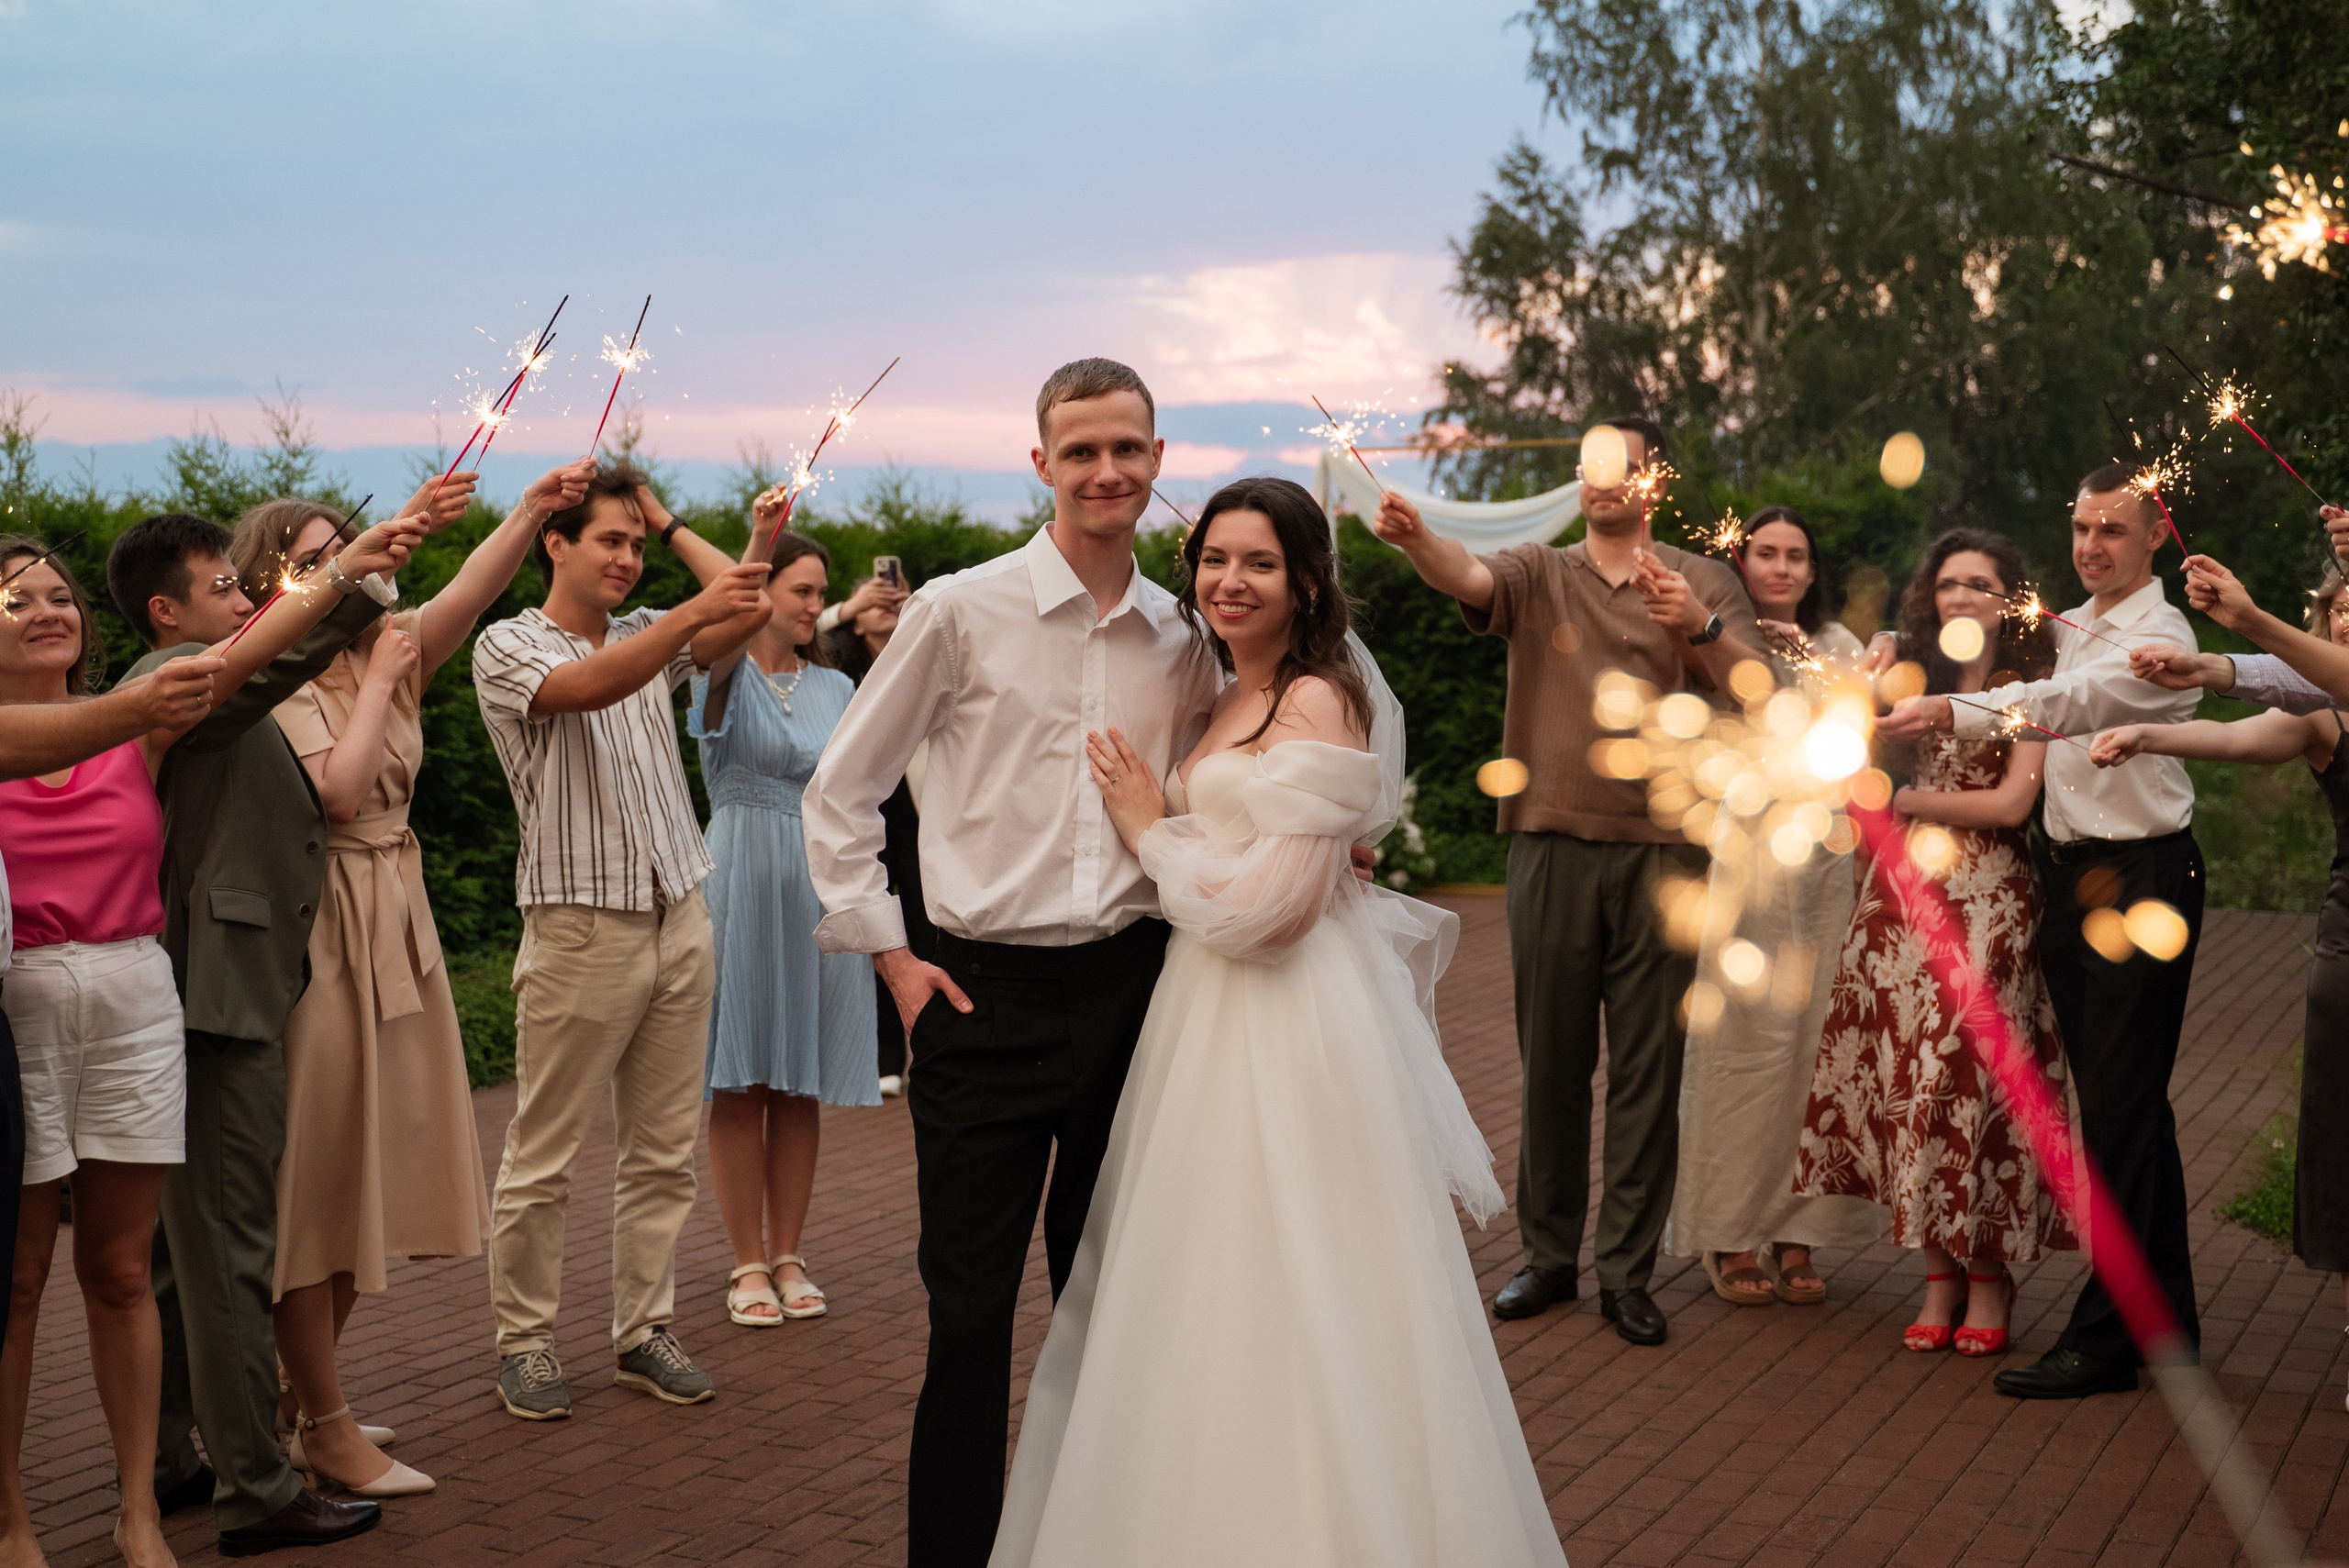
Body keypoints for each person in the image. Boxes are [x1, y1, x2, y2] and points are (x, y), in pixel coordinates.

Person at [986, 475, 1562, 1566]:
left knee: (1301, 1271)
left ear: (1305, 582)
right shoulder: (1221, 694)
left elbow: (1275, 914)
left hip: (1288, 1020)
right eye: (1213, 559)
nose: (1230, 581)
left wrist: (1148, 829)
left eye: (1259, 562)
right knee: (1198, 1273)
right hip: (1200, 1017)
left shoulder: (1316, 701)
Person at [802, 359, 1222, 1567]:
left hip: (1137, 995)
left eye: (1127, 448)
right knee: (971, 1320)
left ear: (1157, 459)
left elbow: (1214, 789)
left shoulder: (1183, 635)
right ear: (1041, 462)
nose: (1106, 471)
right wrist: (892, 959)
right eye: (1080, 450)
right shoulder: (957, 611)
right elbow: (841, 793)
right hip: (978, 998)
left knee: (1115, 1313)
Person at [0, 522, 413, 1568]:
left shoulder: (139, 719)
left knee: (125, 1270)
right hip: (22, 1008)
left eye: (58, 594)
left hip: (137, 996)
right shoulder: (111, 712)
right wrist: (339, 574)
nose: (47, 609)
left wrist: (350, 568)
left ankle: (144, 1506)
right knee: (22, 1280)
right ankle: (12, 1521)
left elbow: (250, 654)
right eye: (16, 598)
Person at [233, 461, 593, 1496]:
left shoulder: (378, 649)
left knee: (373, 1170)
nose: (348, 569)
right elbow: (339, 799)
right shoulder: (274, 678)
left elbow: (472, 590)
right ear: (274, 585)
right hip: (325, 930)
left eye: (344, 549)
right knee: (317, 1183)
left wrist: (529, 510)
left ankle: (299, 1398)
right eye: (317, 561)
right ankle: (325, 1419)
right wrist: (388, 678)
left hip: (401, 918)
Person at [1367, 417, 1764, 1344]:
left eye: (1620, 466)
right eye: (1589, 465)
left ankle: (1626, 1271)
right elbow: (1468, 577)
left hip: (1668, 852)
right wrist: (1419, 539)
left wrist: (1698, 625)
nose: (1601, 479)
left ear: (1653, 480)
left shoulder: (1702, 579)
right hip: (1549, 840)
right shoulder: (1540, 571)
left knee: (1647, 1070)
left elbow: (1761, 691)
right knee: (1549, 1062)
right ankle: (1548, 1258)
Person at [108, 491, 443, 1558]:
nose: (243, 597)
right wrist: (352, 578)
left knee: (182, 1254)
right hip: (218, 997)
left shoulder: (203, 678)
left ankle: (176, 1454)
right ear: (165, 612)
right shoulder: (176, 678)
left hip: (208, 987)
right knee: (229, 1247)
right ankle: (257, 1484)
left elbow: (280, 661)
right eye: (221, 586)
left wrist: (371, 568)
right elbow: (278, 659)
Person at [1877, 463, 2204, 1398]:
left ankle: (2106, 1341)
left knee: (2118, 1112)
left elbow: (2070, 702)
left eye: (2113, 529)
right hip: (2072, 879)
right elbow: (2000, 638)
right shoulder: (2075, 623)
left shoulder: (2160, 635)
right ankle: (2166, 1325)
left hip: (2141, 879)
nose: (2091, 545)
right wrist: (1893, 652)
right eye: (2081, 527)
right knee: (2128, 1111)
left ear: (2155, 534)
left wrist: (1950, 709)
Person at [471, 464, 772, 1420]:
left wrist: (674, 520)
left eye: (637, 544)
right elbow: (587, 686)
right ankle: (525, 1343)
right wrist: (688, 616)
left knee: (663, 1150)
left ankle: (644, 1331)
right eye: (611, 539)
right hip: (579, 925)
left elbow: (750, 608)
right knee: (544, 1152)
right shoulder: (509, 643)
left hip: (680, 912)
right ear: (554, 543)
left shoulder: (650, 629)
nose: (629, 559)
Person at [1796, 529, 2075, 1354]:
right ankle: (1937, 1272)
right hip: (1901, 900)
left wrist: (1913, 801)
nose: (1961, 595)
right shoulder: (1910, 675)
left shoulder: (2031, 685)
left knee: (1968, 1076)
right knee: (1905, 1077)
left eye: (1980, 583)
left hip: (1991, 894)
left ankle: (1989, 1273)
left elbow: (2012, 805)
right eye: (1949, 582)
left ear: (2007, 597)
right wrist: (1873, 662)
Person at [2101, 555, 2349, 1407]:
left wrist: (2241, 628)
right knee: (2344, 1147)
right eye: (2338, 607)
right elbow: (2244, 739)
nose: (2346, 619)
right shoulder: (2323, 715)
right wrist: (2150, 734)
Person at [1665, 506, 1881, 1306]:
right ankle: (1727, 1230)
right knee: (1739, 1044)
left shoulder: (1841, 646)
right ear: (1741, 561)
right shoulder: (1708, 631)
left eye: (1797, 555)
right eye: (1766, 553)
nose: (1783, 567)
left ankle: (1798, 1231)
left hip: (1826, 856)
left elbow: (1861, 743)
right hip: (1745, 852)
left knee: (1816, 1045)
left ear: (1814, 570)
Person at [691, 512, 877, 1328]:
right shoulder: (719, 673)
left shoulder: (839, 688)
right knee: (740, 1078)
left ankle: (790, 1252)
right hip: (738, 877)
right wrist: (759, 543)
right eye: (802, 591)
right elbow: (721, 629)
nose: (815, 606)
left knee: (799, 1079)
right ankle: (746, 1261)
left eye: (820, 593)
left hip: (817, 884)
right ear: (760, 593)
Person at [825, 573, 919, 1097]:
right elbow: (804, 632)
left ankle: (930, 1046)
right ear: (854, 620)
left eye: (894, 596)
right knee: (880, 936)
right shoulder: (841, 669)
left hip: (920, 815)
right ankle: (886, 1058)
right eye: (872, 599)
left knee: (927, 928)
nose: (886, 602)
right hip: (869, 817)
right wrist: (847, 606)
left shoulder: (920, 653)